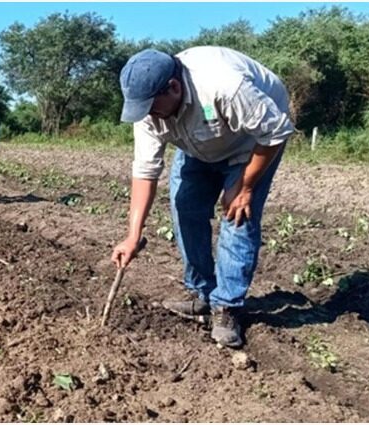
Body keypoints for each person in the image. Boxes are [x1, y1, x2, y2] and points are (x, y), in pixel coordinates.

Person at [111, 46, 294, 348]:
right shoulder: (147, 110)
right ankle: (203, 294)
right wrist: (133, 235)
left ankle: (228, 307)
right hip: (198, 143)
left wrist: (245, 187)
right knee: (185, 207)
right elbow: (145, 170)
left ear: (173, 87)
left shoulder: (224, 86)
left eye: (152, 107)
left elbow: (274, 133)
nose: (148, 115)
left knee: (238, 216)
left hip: (251, 144)